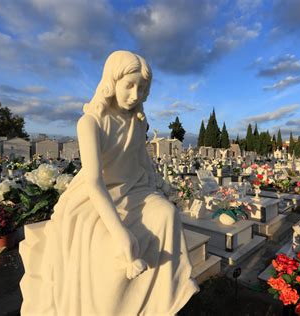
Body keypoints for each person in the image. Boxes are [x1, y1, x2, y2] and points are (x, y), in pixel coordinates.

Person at [20, 50, 199, 315]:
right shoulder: (90, 122)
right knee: (108, 250)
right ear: (111, 81)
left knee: (167, 215)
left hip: (135, 189)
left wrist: (160, 185)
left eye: (142, 88)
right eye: (129, 85)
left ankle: (161, 301)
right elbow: (94, 182)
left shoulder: (138, 121)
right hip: (96, 197)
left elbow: (142, 159)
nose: (136, 95)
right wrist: (119, 232)